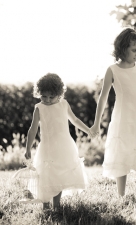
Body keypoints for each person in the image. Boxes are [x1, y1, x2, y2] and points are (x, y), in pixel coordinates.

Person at [91, 27, 136, 196]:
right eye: (134, 50)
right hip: (123, 118)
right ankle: (121, 195)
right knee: (121, 153)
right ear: (122, 48)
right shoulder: (112, 70)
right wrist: (96, 123)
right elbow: (103, 98)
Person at [24, 73, 95, 210]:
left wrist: (88, 130)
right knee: (46, 175)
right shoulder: (39, 108)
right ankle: (45, 204)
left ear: (59, 94)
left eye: (52, 97)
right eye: (44, 96)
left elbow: (74, 120)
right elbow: (32, 130)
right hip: (47, 147)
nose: (48, 100)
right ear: (39, 93)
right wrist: (28, 148)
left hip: (64, 146)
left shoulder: (64, 104)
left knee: (60, 174)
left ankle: (57, 205)